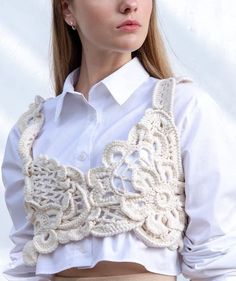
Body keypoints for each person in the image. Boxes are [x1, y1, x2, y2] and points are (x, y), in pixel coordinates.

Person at [1, 0, 236, 280]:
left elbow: (217, 258)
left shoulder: (180, 108)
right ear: (67, 9)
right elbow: (25, 265)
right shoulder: (32, 132)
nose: (129, 4)